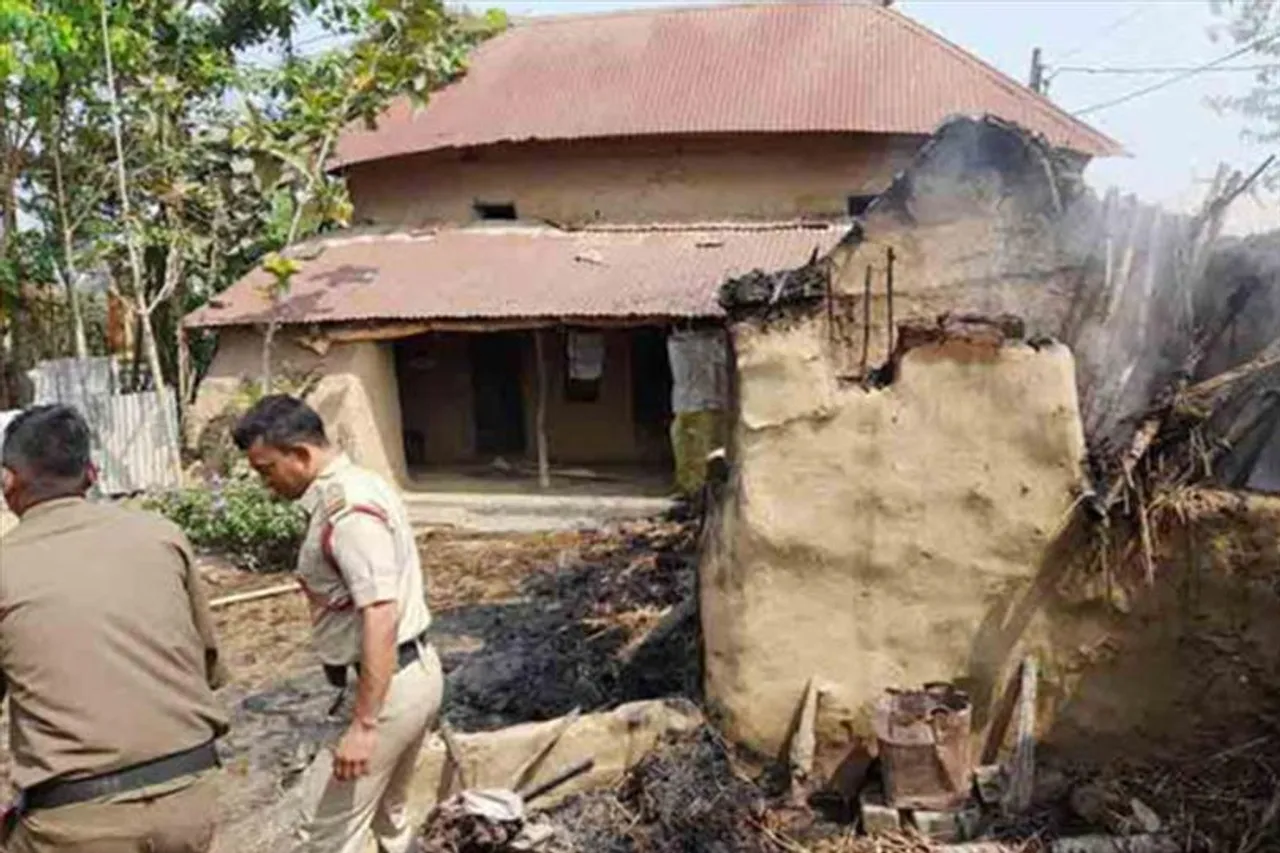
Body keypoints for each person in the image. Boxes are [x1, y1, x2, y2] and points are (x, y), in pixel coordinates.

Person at [0, 405, 228, 853]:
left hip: (75, 821)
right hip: (190, 797)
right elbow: (207, 665)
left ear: (9, 480)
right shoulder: (162, 536)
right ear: (92, 472)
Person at [232, 395, 440, 853]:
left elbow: (379, 613)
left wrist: (365, 725)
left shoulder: (349, 513)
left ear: (301, 454)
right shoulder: (363, 484)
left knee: (326, 834)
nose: (265, 484)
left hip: (388, 688)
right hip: (411, 672)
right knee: (389, 819)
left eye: (267, 469)